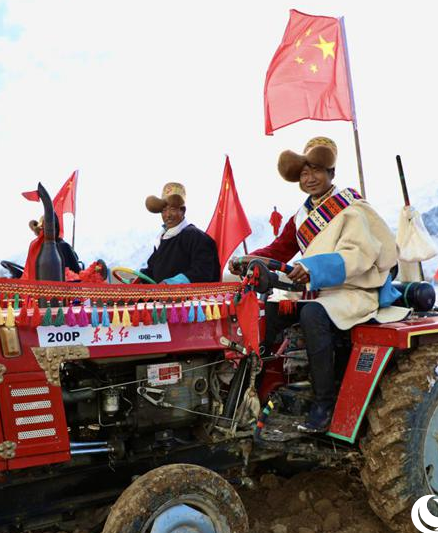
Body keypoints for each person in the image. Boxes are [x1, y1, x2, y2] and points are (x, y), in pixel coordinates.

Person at [229, 137, 405, 432]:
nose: (309, 179)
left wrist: (311, 268)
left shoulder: (353, 209)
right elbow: (279, 250)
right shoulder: (301, 216)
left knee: (313, 314)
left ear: (331, 173)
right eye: (303, 174)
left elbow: (357, 256)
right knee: (268, 311)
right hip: (319, 292)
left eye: (316, 172)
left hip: (354, 292)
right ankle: (257, 391)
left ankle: (324, 402)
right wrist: (248, 259)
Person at [141, 182, 220, 284]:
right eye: (164, 210)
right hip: (162, 298)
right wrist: (139, 279)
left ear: (183, 211)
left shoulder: (195, 236)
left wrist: (171, 283)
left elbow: (203, 272)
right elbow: (151, 271)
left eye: (172, 209)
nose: (167, 215)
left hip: (190, 299)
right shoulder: (162, 239)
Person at [21, 215, 81, 281]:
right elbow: (78, 274)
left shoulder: (34, 244)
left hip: (36, 288)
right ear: (57, 227)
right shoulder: (63, 246)